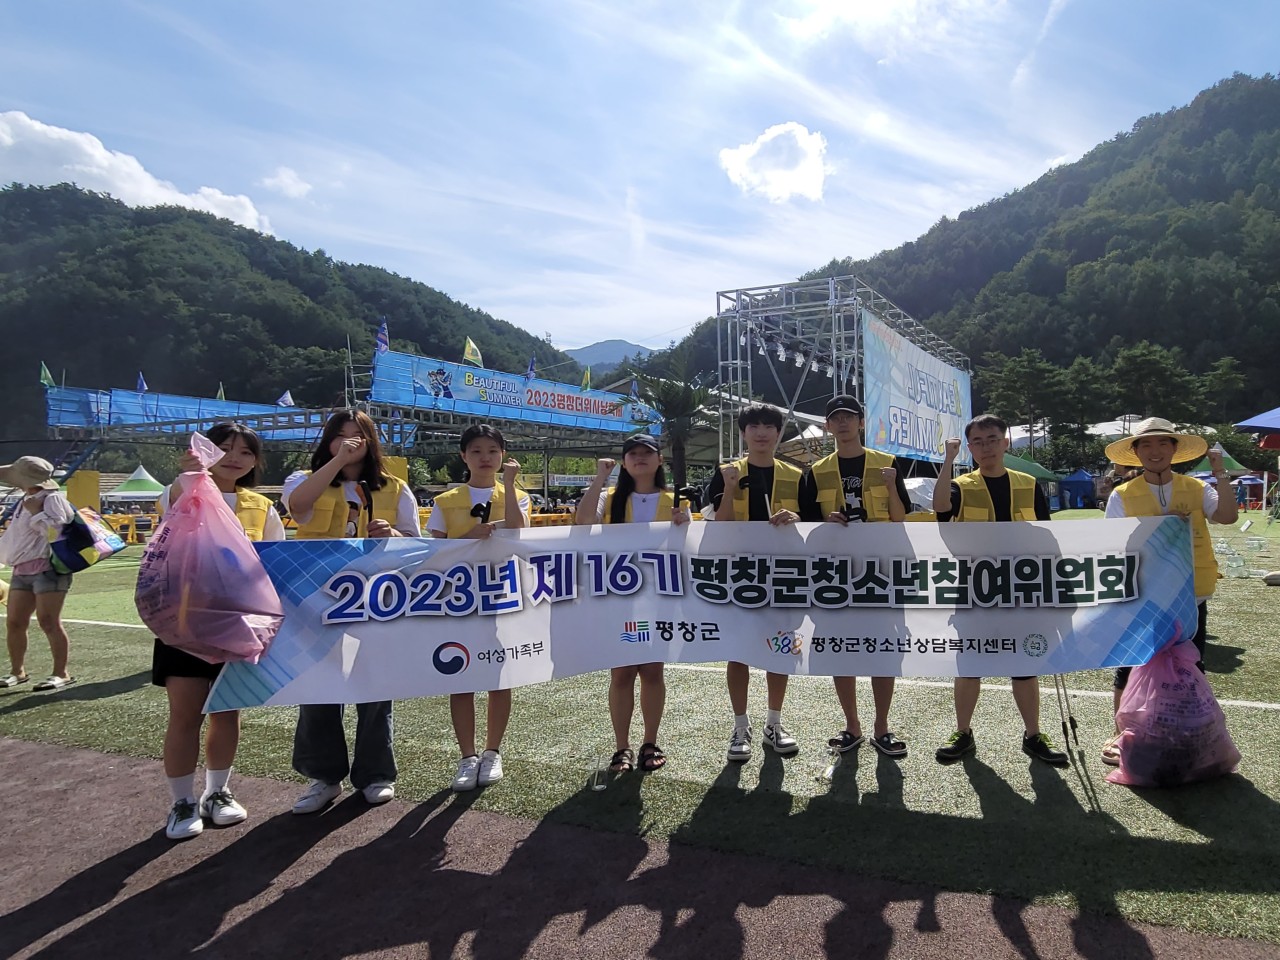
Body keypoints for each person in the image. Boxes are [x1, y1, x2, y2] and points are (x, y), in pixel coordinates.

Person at [283, 410, 420, 814]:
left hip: (376, 601)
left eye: (358, 435)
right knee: (318, 688)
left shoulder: (395, 488)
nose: (349, 442)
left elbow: (417, 543)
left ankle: (377, 773)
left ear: (371, 441)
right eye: (340, 436)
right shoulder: (303, 479)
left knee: (375, 687)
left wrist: (393, 534)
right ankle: (323, 777)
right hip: (315, 600)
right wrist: (337, 463)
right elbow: (297, 507)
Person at [154, 423, 286, 841]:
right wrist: (190, 473)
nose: (234, 458)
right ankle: (182, 801)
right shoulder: (184, 491)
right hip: (185, 623)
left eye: (245, 452)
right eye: (224, 448)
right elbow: (173, 507)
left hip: (238, 626)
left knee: (227, 712)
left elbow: (274, 563)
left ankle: (217, 792)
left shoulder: (262, 507)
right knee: (185, 714)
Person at [931, 415, 1067, 767]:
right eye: (978, 442)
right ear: (970, 448)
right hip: (974, 590)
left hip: (1022, 590)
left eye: (992, 439)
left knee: (1024, 665)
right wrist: (948, 460)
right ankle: (962, 732)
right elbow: (941, 508)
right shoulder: (960, 485)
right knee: (969, 664)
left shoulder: (1028, 483)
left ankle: (1033, 734)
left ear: (1006, 442)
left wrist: (1053, 587)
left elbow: (1046, 536)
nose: (986, 447)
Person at [1099, 418, 1237, 766]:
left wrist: (1220, 473)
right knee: (1130, 665)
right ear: (1135, 452)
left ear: (1175, 449)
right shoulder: (1122, 495)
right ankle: (1122, 733)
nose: (1155, 451)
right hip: (1143, 596)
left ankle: (1191, 733)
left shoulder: (1196, 488)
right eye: (1146, 445)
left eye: (1163, 443)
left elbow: (1227, 516)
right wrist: (1159, 529)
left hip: (1191, 594)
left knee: (1192, 665)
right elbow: (1112, 545)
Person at [798, 395, 912, 759]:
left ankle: (882, 727)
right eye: (836, 418)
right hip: (835, 572)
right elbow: (806, 523)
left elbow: (900, 516)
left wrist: (891, 486)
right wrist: (824, 520)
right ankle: (852, 725)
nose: (843, 423)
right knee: (840, 647)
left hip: (880, 571)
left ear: (861, 422)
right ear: (828, 426)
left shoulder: (887, 463)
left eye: (850, 417)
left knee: (884, 648)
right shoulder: (815, 471)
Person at [575, 434, 690, 774]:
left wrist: (684, 523)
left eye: (647, 453)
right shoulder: (609, 497)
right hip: (618, 597)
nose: (640, 458)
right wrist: (600, 477)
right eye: (633, 454)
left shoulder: (675, 500)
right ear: (624, 462)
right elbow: (583, 521)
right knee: (622, 672)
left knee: (653, 670)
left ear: (659, 460)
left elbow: (689, 545)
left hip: (658, 596)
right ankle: (621, 746)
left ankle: (650, 741)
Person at [429, 424, 529, 791]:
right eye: (476, 451)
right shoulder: (445, 501)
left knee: (499, 675)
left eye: (492, 451)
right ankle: (467, 756)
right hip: (458, 598)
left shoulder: (517, 495)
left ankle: (492, 752)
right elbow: (433, 552)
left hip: (503, 594)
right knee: (463, 676)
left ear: (503, 456)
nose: (485, 458)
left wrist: (511, 485)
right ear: (463, 456)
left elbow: (519, 529)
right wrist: (467, 537)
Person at [704, 404, 803, 761]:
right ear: (744, 433)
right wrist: (731, 488)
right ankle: (740, 726)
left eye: (769, 426)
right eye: (754, 426)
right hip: (740, 575)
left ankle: (774, 723)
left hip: (782, 575)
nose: (762, 432)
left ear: (778, 432)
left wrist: (796, 516)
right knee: (739, 651)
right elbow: (720, 523)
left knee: (781, 647)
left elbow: (812, 523)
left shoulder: (797, 475)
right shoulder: (726, 473)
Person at [0, 456, 75, 691]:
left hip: (48, 568)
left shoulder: (52, 498)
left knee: (48, 621)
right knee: (15, 621)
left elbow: (58, 531)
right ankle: (17, 671)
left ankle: (61, 673)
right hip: (22, 568)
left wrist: (36, 514)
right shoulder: (27, 498)